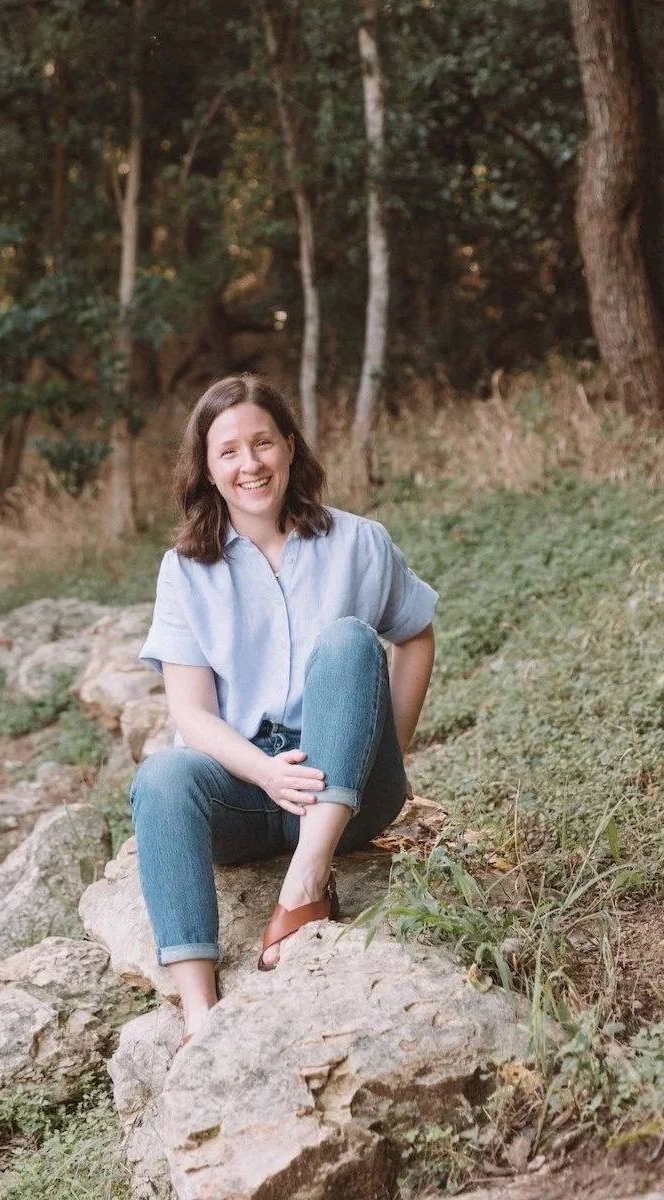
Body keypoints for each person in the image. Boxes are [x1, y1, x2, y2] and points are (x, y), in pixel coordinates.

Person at [131, 373, 438, 1041]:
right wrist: (266, 774)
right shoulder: (185, 570)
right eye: (230, 452)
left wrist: (387, 746)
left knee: (350, 640)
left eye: (263, 443)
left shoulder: (359, 542)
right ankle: (200, 1014)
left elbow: (415, 635)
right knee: (160, 777)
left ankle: (305, 886)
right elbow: (191, 714)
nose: (251, 464)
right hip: (247, 792)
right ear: (208, 471)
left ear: (291, 447)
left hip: (344, 793)